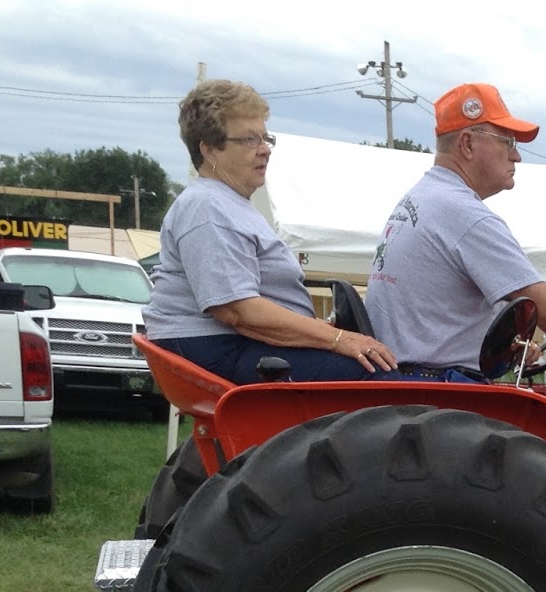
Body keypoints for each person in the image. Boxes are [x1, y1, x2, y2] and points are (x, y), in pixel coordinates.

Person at [365, 83, 546, 384]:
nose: (516, 156)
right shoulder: (465, 215)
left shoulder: (421, 199)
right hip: (439, 388)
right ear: (467, 144)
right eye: (508, 142)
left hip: (408, 381)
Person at [145, 79, 397, 383]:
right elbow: (238, 312)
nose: (264, 150)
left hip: (232, 345)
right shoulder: (207, 207)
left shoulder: (229, 204)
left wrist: (323, 331)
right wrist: (339, 339)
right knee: (381, 380)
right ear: (209, 150)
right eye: (249, 140)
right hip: (218, 348)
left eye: (265, 138)